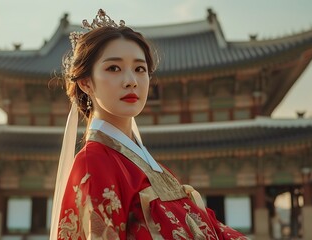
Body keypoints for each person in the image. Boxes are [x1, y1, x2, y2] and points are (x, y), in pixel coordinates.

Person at [50, 9, 249, 240]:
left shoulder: (155, 168)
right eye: (113, 68)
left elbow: (213, 229)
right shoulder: (94, 162)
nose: (131, 81)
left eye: (139, 69)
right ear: (86, 83)